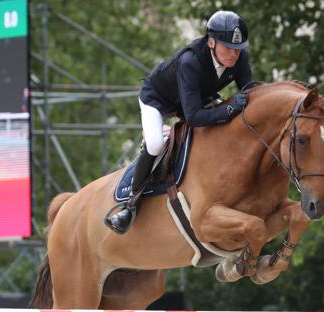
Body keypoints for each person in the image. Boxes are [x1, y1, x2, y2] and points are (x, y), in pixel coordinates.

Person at [108, 10, 253, 234]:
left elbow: (250, 91)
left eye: (238, 48)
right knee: (156, 143)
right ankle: (130, 205)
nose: (234, 54)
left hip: (195, 97)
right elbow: (194, 117)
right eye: (228, 48)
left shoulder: (239, 57)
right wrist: (231, 107)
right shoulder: (190, 62)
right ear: (211, 42)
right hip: (157, 99)